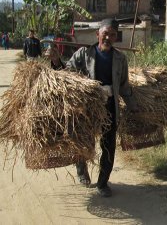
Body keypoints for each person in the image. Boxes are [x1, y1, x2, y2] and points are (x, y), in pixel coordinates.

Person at [49, 18, 137, 197]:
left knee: (109, 145)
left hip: (110, 107)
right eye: (105, 34)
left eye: (112, 35)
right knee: (83, 140)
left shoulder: (120, 58)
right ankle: (82, 172)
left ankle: (103, 183)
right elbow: (67, 73)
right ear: (98, 34)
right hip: (87, 107)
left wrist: (134, 106)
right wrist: (57, 61)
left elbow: (124, 86)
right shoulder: (84, 54)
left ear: (115, 38)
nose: (108, 38)